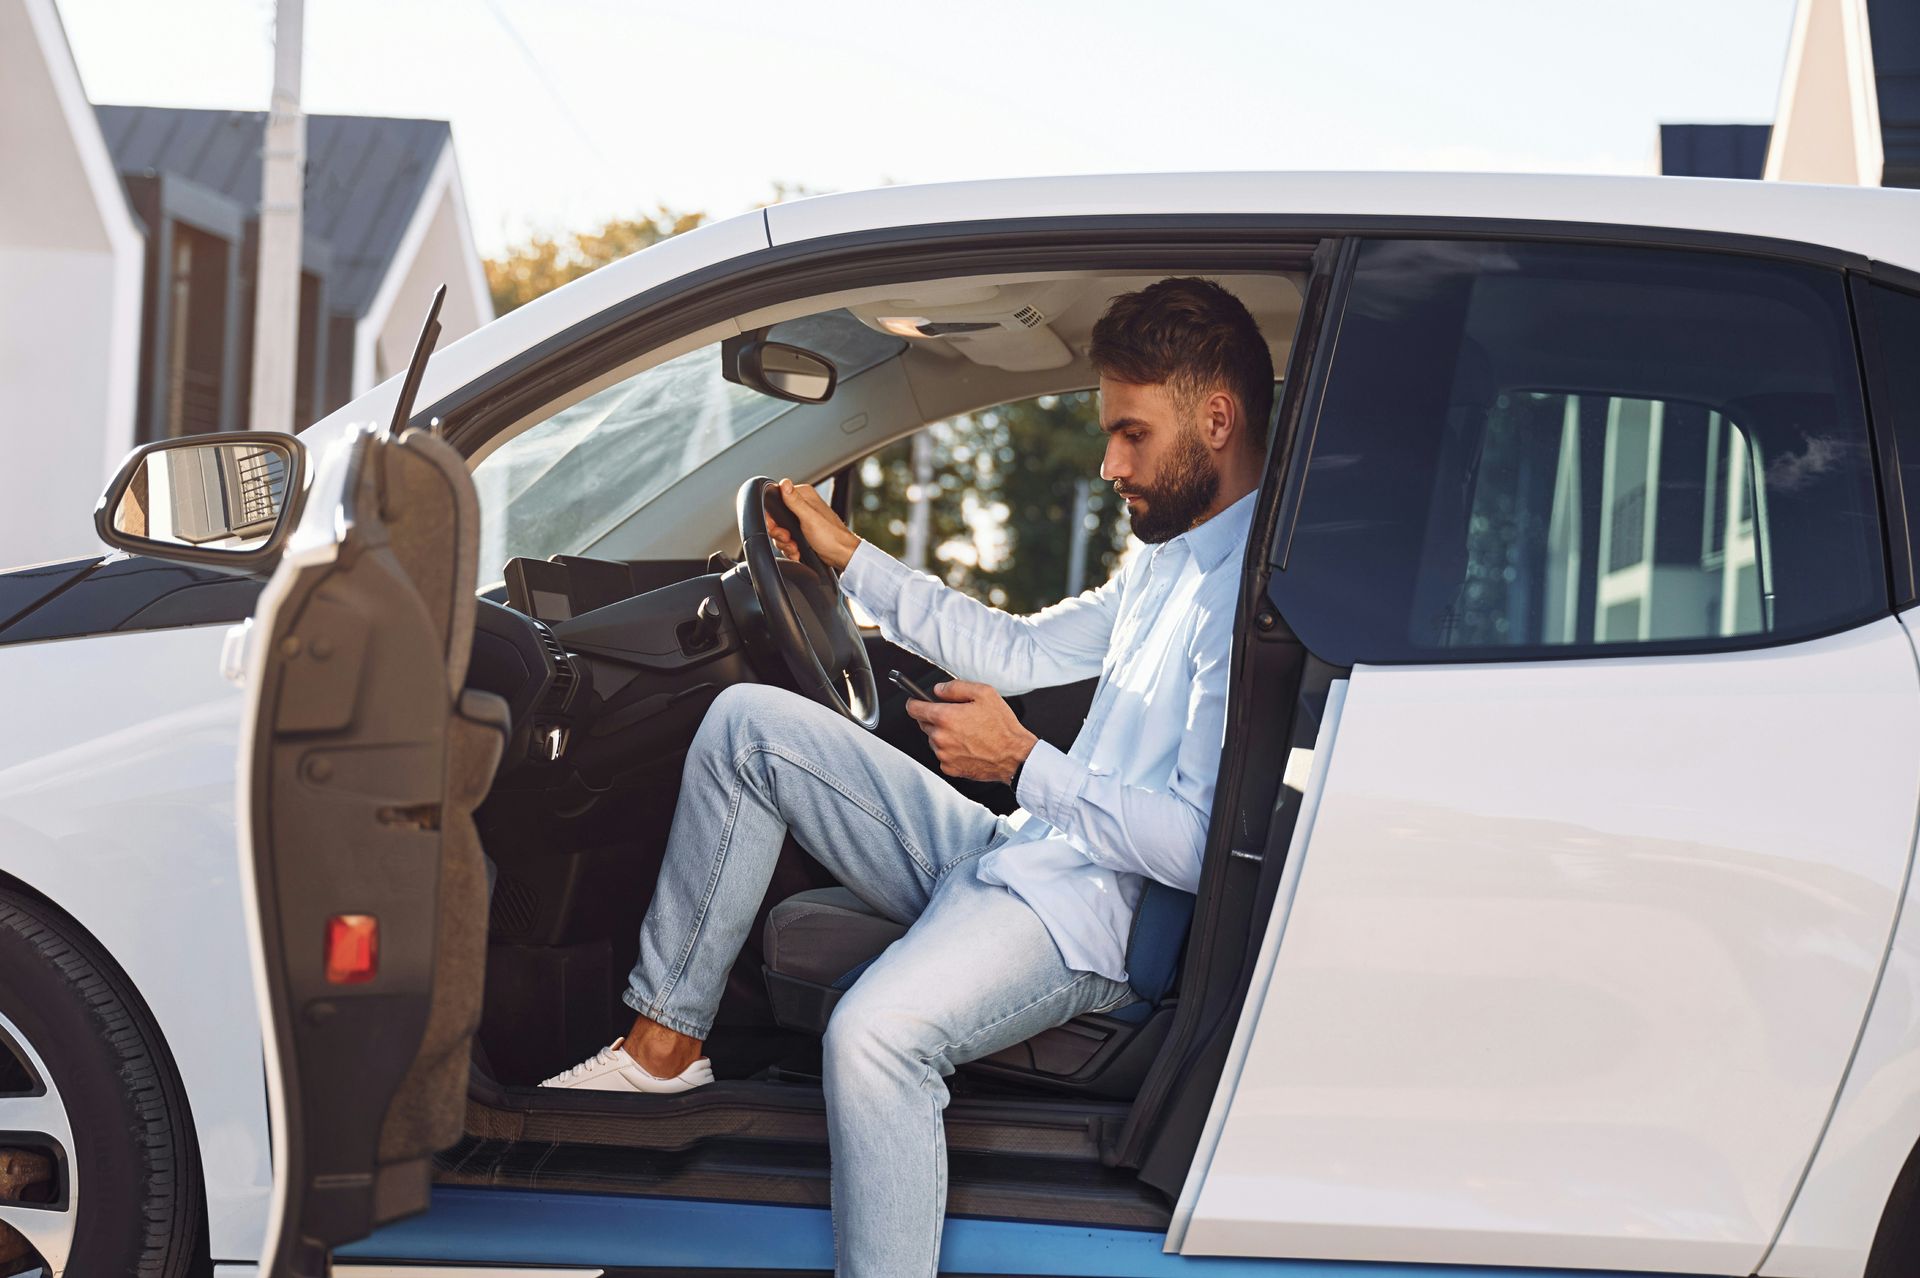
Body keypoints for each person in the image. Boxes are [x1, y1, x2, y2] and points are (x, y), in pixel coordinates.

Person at [541, 276, 1275, 1276]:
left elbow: (1198, 847)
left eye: (1131, 434)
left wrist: (1022, 764)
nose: (1110, 464)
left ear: (1217, 421)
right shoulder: (1169, 556)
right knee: (750, 729)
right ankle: (661, 1049)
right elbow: (1019, 651)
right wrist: (851, 558)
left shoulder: (1246, 604)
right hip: (1025, 852)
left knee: (875, 1038)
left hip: (1087, 921)